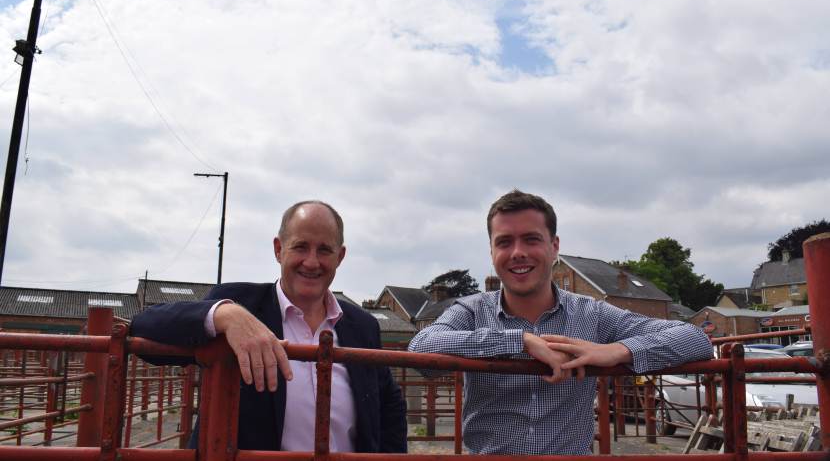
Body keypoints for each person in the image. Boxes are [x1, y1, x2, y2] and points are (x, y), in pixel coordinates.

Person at [408, 189, 712, 455]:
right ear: (491, 252)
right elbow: (421, 347)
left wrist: (616, 351)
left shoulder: (592, 313)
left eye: (531, 239)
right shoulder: (471, 310)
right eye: (504, 242)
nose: (517, 252)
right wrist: (519, 341)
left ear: (554, 247)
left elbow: (695, 338)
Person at [131, 200, 408, 453]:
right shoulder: (238, 303)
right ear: (278, 249)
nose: (312, 262)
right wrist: (225, 315)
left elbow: (389, 405)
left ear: (340, 256)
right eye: (300, 246)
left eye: (324, 249)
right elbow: (142, 329)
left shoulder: (363, 326)